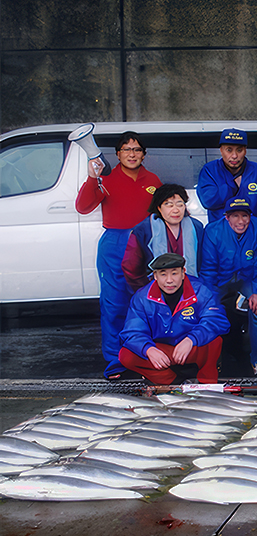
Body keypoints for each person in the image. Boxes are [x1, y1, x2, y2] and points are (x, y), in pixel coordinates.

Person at [74, 131, 162, 379]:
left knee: (147, 302)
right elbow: (83, 207)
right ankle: (115, 360)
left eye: (136, 149)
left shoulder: (153, 180)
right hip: (114, 243)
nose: (132, 154)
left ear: (144, 154)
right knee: (113, 303)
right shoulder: (106, 179)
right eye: (126, 150)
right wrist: (93, 178)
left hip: (145, 242)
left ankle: (146, 355)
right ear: (117, 154)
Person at [118, 253, 228, 385]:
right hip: (162, 350)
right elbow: (132, 332)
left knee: (214, 341)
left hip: (190, 348)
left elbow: (216, 320)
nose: (169, 280)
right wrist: (149, 350)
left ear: (183, 273)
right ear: (155, 276)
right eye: (163, 274)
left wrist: (191, 340)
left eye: (174, 273)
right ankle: (172, 382)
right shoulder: (142, 297)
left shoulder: (201, 291)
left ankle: (206, 384)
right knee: (127, 355)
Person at [200, 198, 257, 373]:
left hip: (248, 278)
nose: (241, 221)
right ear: (226, 217)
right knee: (208, 313)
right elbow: (208, 269)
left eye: (244, 216)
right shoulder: (213, 231)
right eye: (235, 216)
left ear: (250, 216)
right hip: (220, 279)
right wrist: (208, 300)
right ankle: (212, 362)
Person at [122, 183, 205, 293]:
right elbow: (131, 266)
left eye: (180, 205)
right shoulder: (144, 230)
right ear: (159, 208)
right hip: (154, 289)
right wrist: (145, 289)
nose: (176, 210)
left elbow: (206, 263)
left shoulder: (196, 227)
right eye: (169, 205)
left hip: (192, 288)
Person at [196, 128, 257, 223]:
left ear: (245, 151)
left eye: (239, 150)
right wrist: (232, 185)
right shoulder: (210, 170)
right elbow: (208, 201)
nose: (234, 156)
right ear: (221, 150)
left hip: (251, 229)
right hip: (220, 229)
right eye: (229, 150)